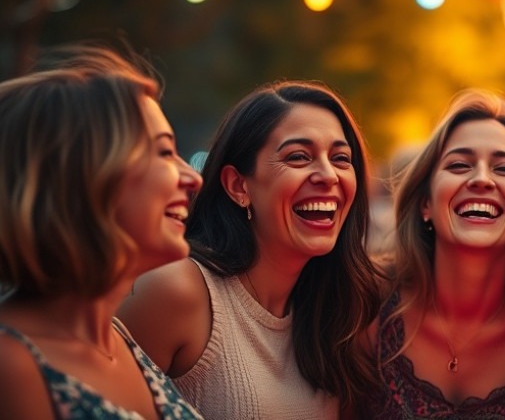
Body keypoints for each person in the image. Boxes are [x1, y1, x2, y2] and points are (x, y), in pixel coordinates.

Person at [118, 81, 383, 419]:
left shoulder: (339, 310)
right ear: (238, 186)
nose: (328, 175)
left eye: (341, 158)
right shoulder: (177, 290)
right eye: (298, 156)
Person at [0, 44, 203, 418]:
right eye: (163, 153)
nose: (193, 177)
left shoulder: (120, 337)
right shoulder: (12, 367)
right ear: (82, 178)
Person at [361, 90, 505, 418]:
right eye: (459, 164)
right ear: (426, 203)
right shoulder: (367, 305)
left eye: (504, 169)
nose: (481, 179)